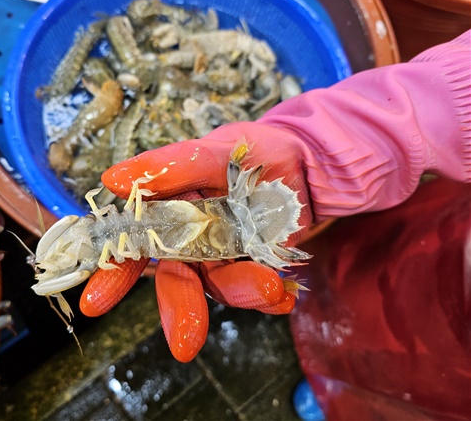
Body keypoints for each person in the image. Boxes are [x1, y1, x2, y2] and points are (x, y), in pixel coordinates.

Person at [79, 30, 470, 419]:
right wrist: (332, 149)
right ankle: (337, 384)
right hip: (442, 243)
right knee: (367, 300)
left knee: (416, 374)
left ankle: (348, 394)